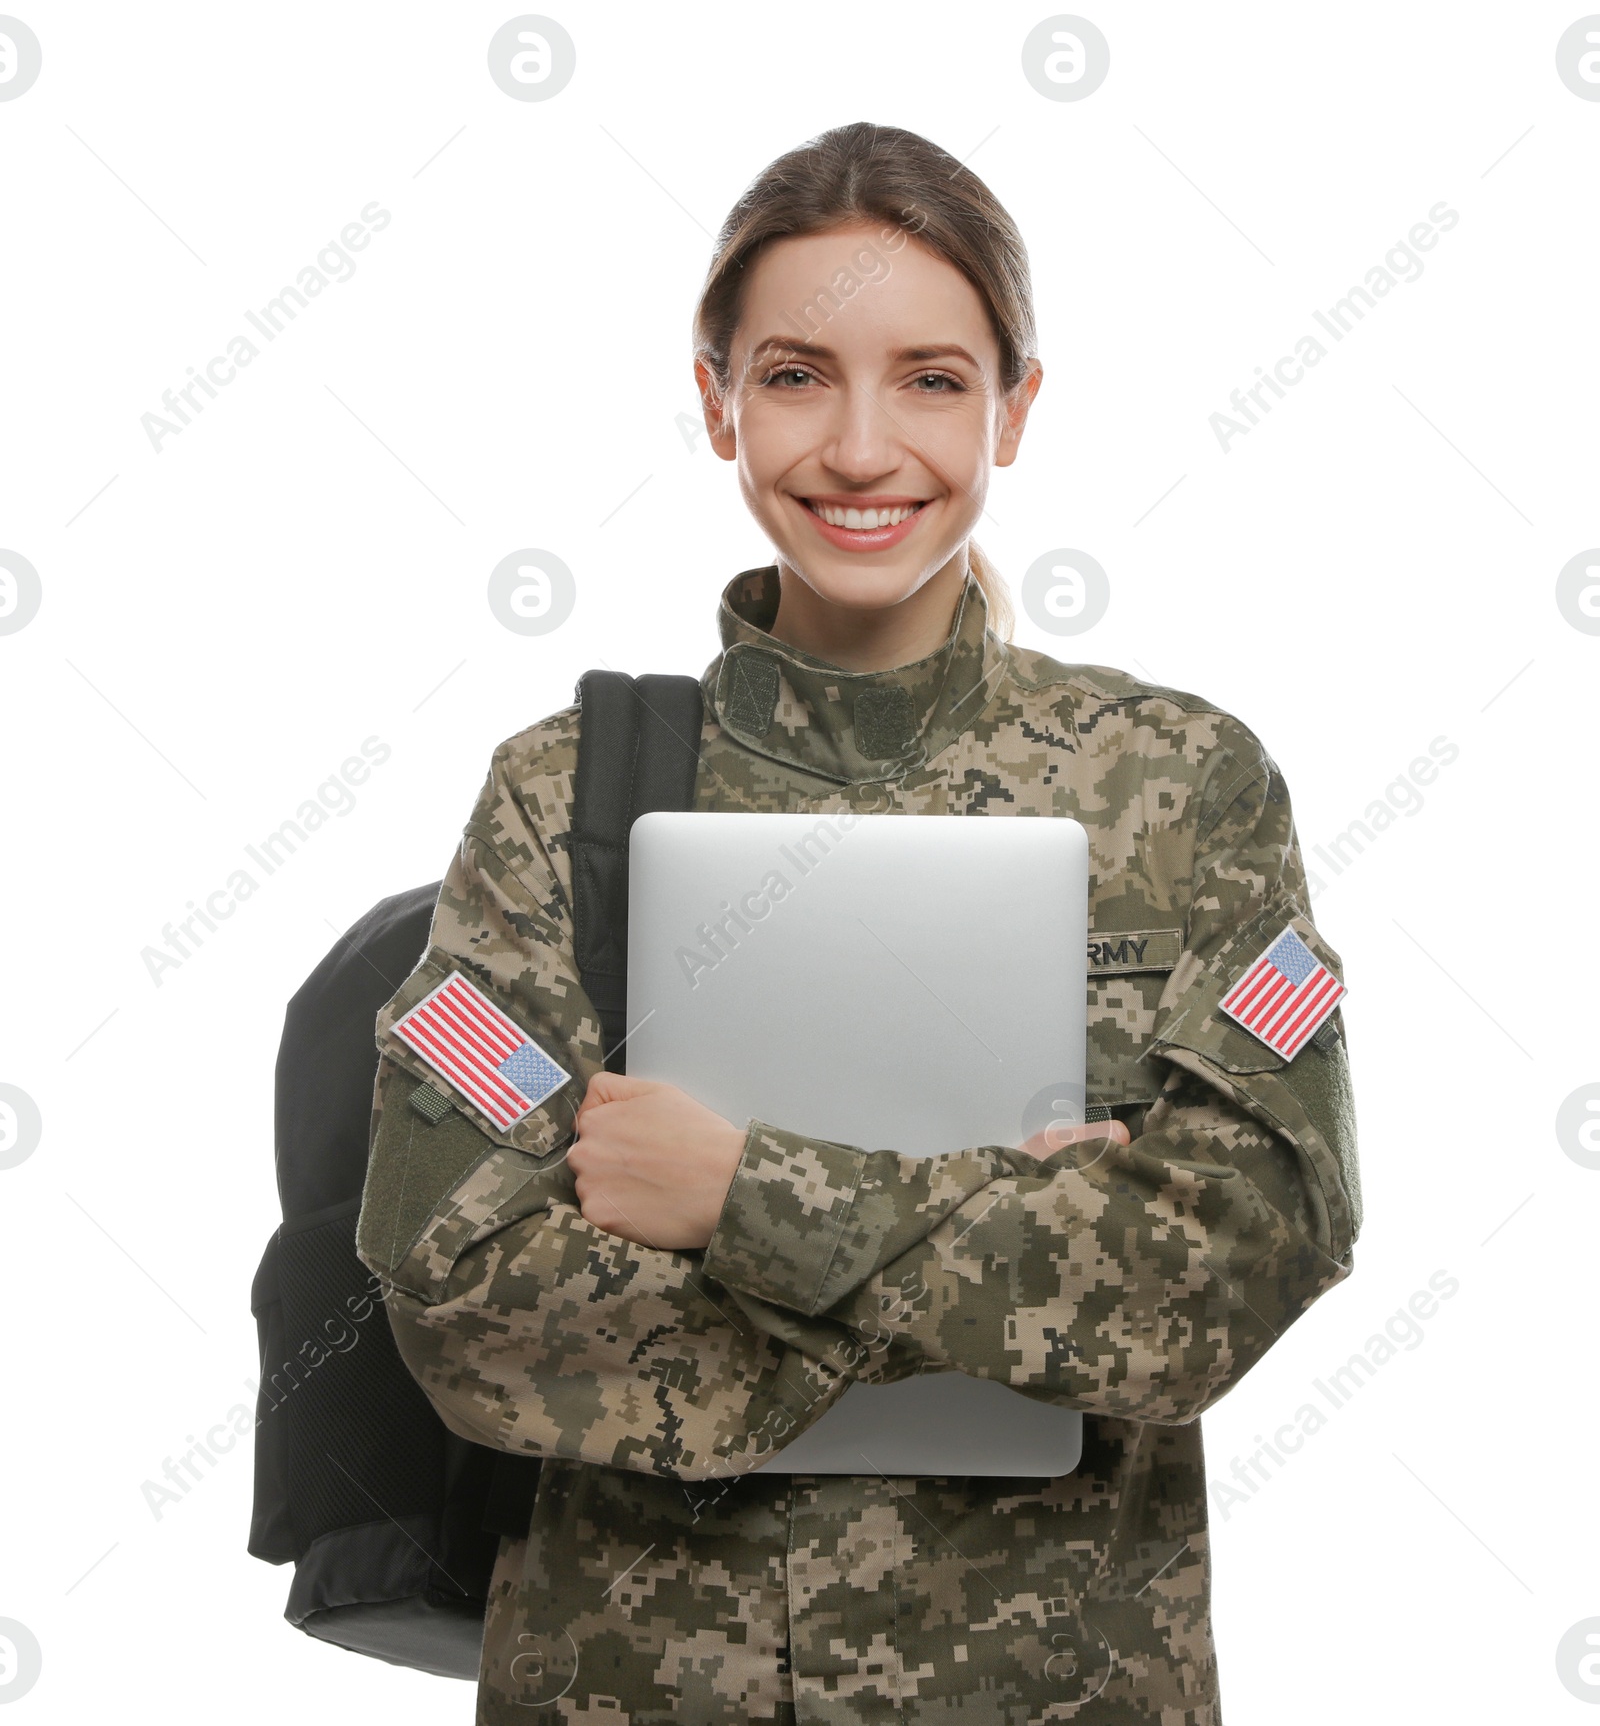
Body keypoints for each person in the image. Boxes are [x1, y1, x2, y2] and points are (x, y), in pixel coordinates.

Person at [355, 120, 1360, 1725]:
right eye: (799, 375)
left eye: (935, 379)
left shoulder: (1187, 787)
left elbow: (1239, 1265)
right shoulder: (561, 802)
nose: (862, 448)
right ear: (717, 403)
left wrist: (740, 1198)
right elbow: (465, 1300)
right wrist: (1011, 1267)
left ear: (1017, 410)